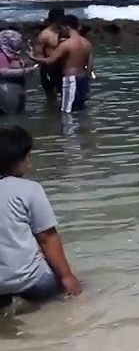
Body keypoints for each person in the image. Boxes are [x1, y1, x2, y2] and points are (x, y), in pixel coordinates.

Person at [0, 126, 82, 311]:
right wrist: (67, 276)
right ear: (22, 159)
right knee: (84, 285)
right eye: (29, 156)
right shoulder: (30, 189)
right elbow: (46, 237)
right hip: (30, 281)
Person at [31, 15, 93, 113]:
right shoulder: (87, 43)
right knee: (80, 109)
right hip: (83, 78)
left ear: (65, 27)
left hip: (70, 79)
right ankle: (82, 127)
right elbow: (90, 66)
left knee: (67, 111)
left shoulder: (66, 45)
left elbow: (50, 60)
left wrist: (32, 57)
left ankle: (68, 128)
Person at [0, 29, 38, 115]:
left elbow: (17, 66)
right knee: (10, 116)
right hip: (5, 89)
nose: (18, 43)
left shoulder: (12, 53)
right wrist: (25, 71)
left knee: (17, 113)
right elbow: (3, 72)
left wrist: (31, 57)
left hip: (16, 89)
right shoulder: (2, 54)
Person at [32, 8, 66, 99]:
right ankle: (51, 112)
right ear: (58, 19)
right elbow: (38, 53)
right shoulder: (45, 35)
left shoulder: (64, 31)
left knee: (65, 95)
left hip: (62, 69)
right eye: (63, 17)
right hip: (50, 70)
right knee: (51, 97)